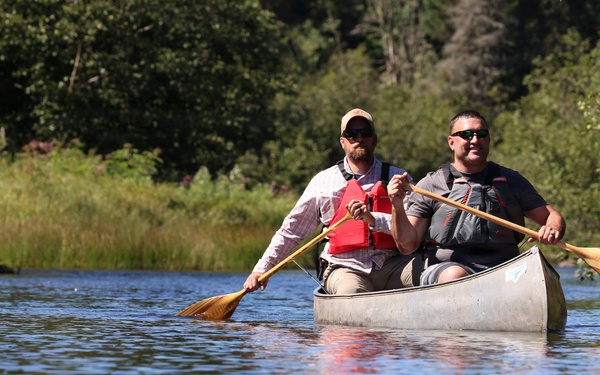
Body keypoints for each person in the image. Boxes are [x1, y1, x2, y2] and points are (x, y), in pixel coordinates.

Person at [243, 108, 423, 294]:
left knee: (434, 274)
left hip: (394, 264)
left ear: (374, 139)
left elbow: (413, 231)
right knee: (352, 292)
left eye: (365, 132)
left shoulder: (400, 179)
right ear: (342, 142)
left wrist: (372, 218)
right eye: (351, 134)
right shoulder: (323, 182)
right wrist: (261, 270)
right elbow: (291, 231)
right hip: (345, 267)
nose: (359, 138)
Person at [388, 110, 566, 285]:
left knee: (536, 270)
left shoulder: (511, 180)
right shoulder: (431, 185)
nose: (475, 140)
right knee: (455, 275)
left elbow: (552, 217)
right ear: (451, 142)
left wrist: (552, 228)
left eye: (481, 134)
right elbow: (407, 246)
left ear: (488, 139)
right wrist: (397, 205)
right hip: (447, 268)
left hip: (505, 267)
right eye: (466, 135)